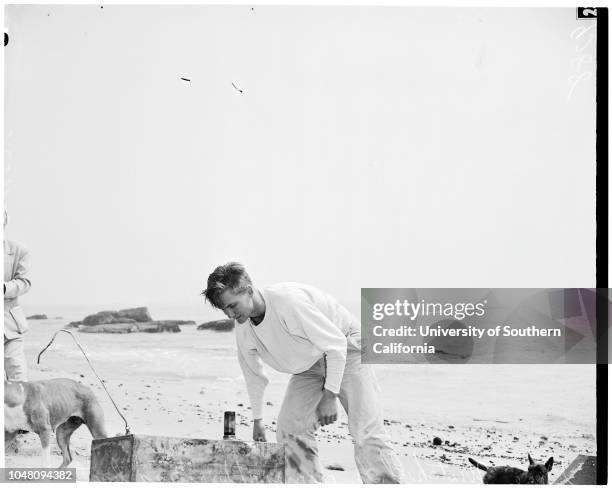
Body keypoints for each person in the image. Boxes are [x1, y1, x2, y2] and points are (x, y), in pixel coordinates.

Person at [203, 262, 406, 483]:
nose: (230, 314)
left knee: (365, 431)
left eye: (233, 305)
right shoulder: (243, 328)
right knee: (290, 428)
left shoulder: (288, 302)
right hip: (309, 364)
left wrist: (330, 396)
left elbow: (336, 345)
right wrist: (257, 419)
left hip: (348, 348)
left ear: (249, 290)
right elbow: (253, 374)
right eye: (225, 309)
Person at [4, 210, 31, 381]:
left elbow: (24, 282)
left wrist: (4, 288)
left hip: (10, 329)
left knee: (19, 380)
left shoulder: (19, 250)